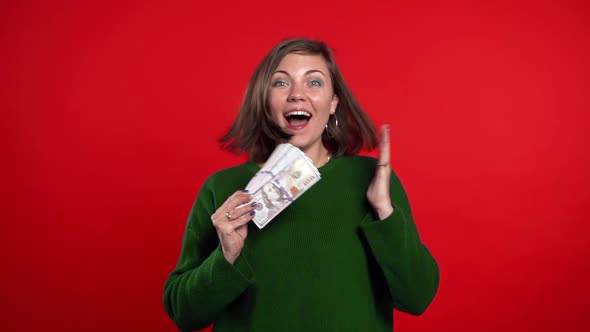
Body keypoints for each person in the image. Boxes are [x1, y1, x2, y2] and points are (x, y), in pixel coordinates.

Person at [163, 37, 439, 332]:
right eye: (281, 83)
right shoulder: (222, 188)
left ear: (333, 102)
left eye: (314, 82)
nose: (297, 94)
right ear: (265, 102)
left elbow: (417, 297)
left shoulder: (372, 180)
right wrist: (226, 255)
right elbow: (185, 314)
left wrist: (385, 211)